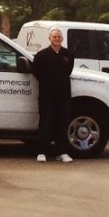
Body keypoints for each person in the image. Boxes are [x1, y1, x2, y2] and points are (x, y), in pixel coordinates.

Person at [31, 27, 74, 163]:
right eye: (54, 37)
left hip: (63, 96)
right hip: (47, 96)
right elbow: (36, 71)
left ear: (62, 39)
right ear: (49, 39)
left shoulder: (68, 55)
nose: (57, 39)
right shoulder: (41, 55)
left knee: (62, 124)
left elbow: (68, 71)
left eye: (59, 37)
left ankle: (61, 152)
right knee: (45, 123)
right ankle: (41, 152)